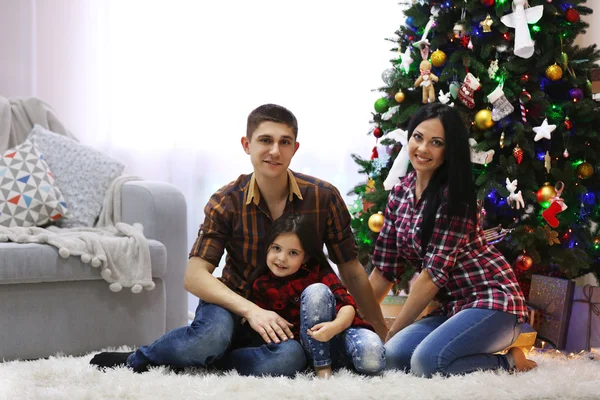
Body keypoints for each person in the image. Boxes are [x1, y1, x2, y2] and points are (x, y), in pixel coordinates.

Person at [90, 103, 387, 376]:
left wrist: (380, 331)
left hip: (288, 317)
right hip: (234, 303)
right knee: (209, 337)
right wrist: (250, 310)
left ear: (295, 148)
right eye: (265, 140)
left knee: (289, 358)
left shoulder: (323, 197)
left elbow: (350, 269)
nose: (275, 150)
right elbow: (194, 277)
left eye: (284, 142)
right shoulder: (226, 200)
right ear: (247, 145)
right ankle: (140, 358)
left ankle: (215, 361)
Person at [368, 103, 538, 378]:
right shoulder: (399, 194)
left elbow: (431, 277)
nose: (423, 149)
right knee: (394, 357)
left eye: (436, 143)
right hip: (452, 308)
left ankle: (509, 362)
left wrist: (393, 331)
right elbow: (383, 270)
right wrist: (352, 320)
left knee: (427, 363)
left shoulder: (454, 197)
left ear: (449, 151)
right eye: (418, 137)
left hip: (493, 302)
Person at [241, 213, 385, 378]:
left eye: (293, 253)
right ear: (267, 247)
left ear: (305, 257)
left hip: (340, 335)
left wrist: (335, 327)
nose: (281, 258)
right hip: (303, 347)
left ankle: (340, 361)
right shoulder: (261, 284)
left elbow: (347, 306)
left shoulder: (318, 272)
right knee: (287, 353)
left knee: (372, 358)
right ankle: (322, 367)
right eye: (276, 248)